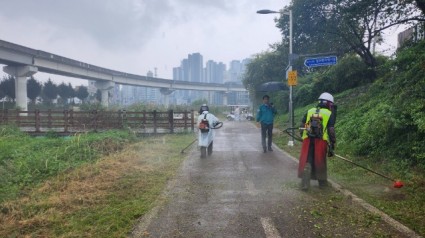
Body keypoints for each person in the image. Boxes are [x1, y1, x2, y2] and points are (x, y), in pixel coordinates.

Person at [298, 92, 337, 190]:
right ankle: (322, 184)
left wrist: (302, 136)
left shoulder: (310, 110)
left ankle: (305, 183)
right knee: (320, 161)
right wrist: (332, 143)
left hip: (307, 140)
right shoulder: (329, 113)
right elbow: (331, 130)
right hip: (320, 141)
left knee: (308, 160)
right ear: (329, 104)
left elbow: (303, 125)